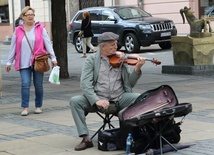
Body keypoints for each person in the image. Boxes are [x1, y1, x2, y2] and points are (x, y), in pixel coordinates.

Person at [69, 32, 146, 151]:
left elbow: (129, 84)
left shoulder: (121, 59)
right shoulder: (91, 60)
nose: (116, 47)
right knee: (75, 101)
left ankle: (137, 134)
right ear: (102, 46)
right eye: (112, 45)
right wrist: (96, 100)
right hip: (99, 99)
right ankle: (86, 138)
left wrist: (137, 69)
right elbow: (85, 84)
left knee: (141, 98)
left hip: (120, 98)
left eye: (116, 44)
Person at [5, 6, 57, 116]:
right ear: (22, 17)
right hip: (23, 62)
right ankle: (25, 107)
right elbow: (13, 47)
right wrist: (9, 62)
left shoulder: (40, 28)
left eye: (32, 14)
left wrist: (53, 58)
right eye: (27, 15)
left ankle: (38, 106)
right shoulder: (18, 30)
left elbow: (48, 44)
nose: (30, 17)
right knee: (25, 83)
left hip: (38, 61)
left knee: (38, 85)